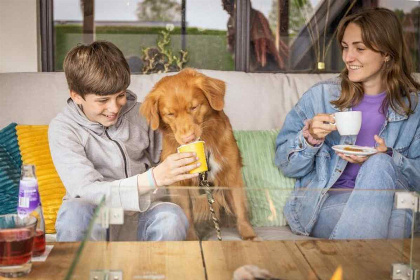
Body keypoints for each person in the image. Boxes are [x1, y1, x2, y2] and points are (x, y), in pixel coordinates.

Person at [275, 8, 420, 239]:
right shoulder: (321, 97)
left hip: (396, 201)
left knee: (381, 163)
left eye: (359, 48)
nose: (348, 57)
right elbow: (286, 165)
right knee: (395, 224)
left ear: (387, 54)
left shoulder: (415, 107)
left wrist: (391, 156)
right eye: (345, 47)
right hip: (330, 201)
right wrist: (310, 138)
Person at [49, 41, 200, 241]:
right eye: (103, 100)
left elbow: (167, 154)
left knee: (171, 218)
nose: (114, 108)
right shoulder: (63, 128)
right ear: (77, 96)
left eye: (120, 95)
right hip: (98, 214)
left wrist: (190, 148)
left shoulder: (142, 114)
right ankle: (82, 271)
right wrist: (152, 179)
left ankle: (155, 271)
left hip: (144, 210)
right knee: (74, 214)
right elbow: (85, 190)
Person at [222, 0, 287, 71]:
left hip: (261, 61)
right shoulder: (231, 21)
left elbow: (265, 38)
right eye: (224, 4)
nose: (224, 7)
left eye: (226, 3)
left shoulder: (255, 16)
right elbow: (231, 45)